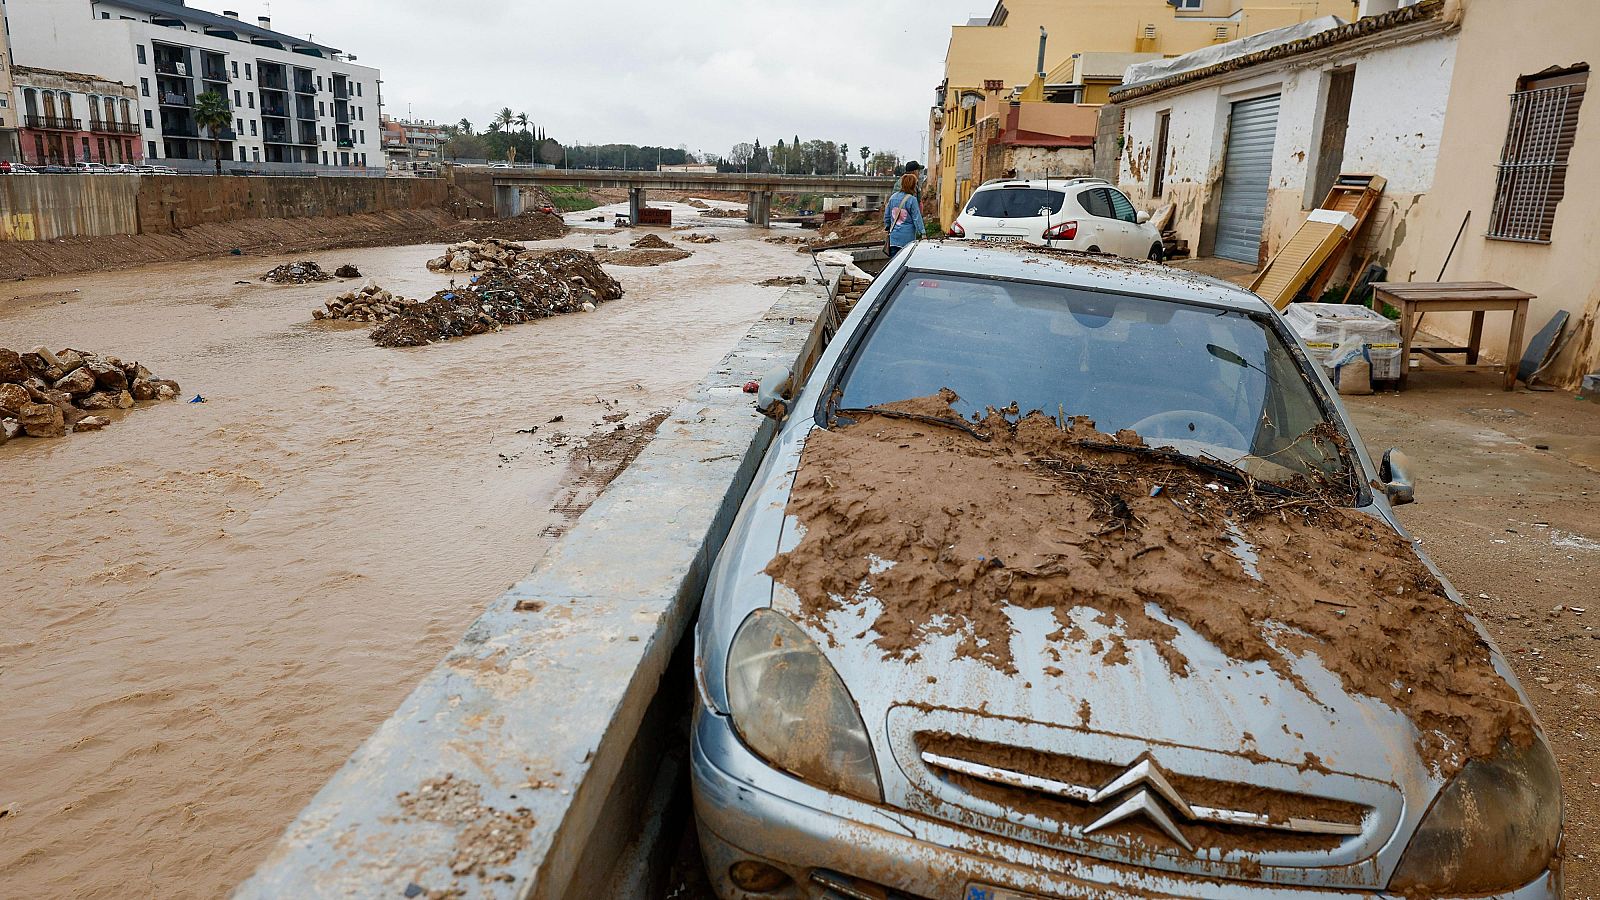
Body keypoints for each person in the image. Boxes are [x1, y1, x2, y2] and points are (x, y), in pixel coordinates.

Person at [884, 172, 925, 258]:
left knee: (894, 265)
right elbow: (917, 218)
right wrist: (922, 233)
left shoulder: (893, 197)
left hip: (894, 239)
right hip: (907, 240)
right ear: (913, 185)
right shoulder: (912, 200)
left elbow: (887, 216)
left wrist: (888, 226)